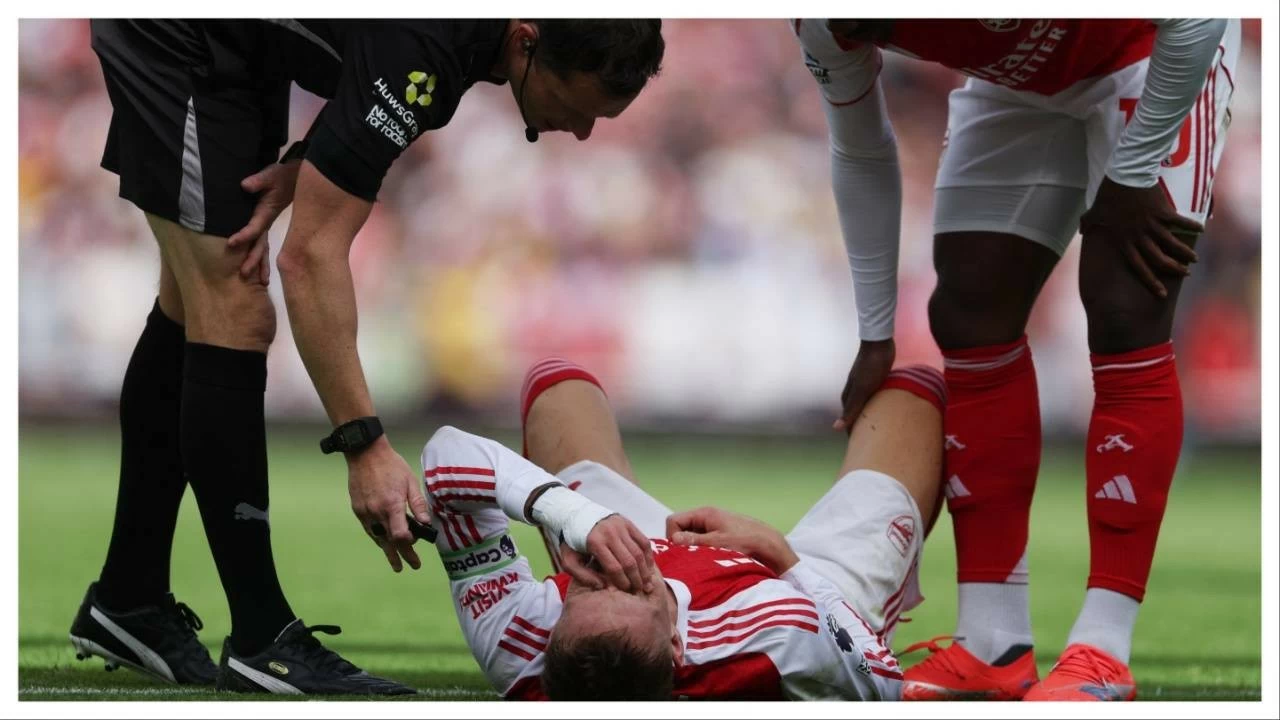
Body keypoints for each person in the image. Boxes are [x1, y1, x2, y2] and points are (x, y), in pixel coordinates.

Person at [71, 19, 664, 694]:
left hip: (239, 46)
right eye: (578, 105)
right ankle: (261, 639)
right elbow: (311, 258)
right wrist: (365, 447)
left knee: (193, 298)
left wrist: (312, 160)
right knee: (234, 301)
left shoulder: (471, 44)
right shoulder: (438, 37)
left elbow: (367, 74)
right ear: (527, 41)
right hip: (181, 32)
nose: (583, 131)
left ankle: (129, 598)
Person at [791, 18, 1239, 701]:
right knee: (968, 311)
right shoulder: (824, 22)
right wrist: (876, 331)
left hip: (1152, 50)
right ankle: (992, 644)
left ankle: (1103, 650)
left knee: (1126, 302)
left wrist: (1135, 168)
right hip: (1018, 82)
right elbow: (861, 148)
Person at [419, 356, 948, 700]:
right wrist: (785, 559)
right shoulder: (776, 637)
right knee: (911, 395)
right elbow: (882, 678)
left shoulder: (519, 643)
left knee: (558, 386)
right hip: (808, 584)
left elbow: (447, 454)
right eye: (635, 584)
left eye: (585, 587)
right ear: (676, 644)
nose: (614, 568)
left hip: (638, 531)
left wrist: (576, 520)